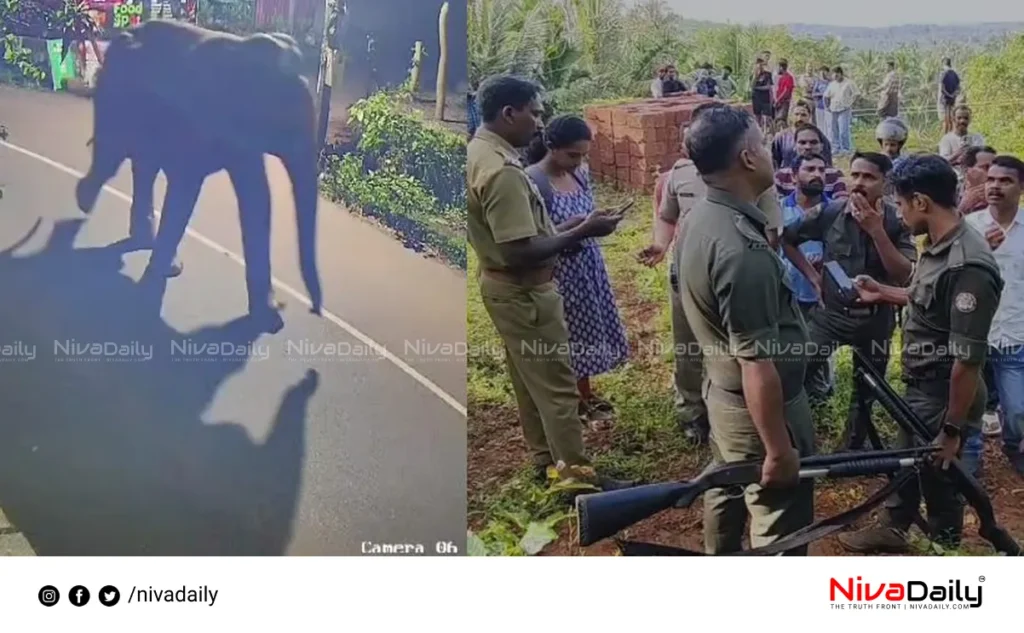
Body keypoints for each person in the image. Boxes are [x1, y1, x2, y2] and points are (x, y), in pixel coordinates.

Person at [466, 74, 633, 490]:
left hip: (505, 288)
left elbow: (524, 232)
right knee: (558, 387)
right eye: (535, 113)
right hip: (524, 292)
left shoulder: (480, 152)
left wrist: (574, 223)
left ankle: (545, 461)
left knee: (528, 379)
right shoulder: (503, 171)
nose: (540, 124)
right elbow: (518, 251)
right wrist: (582, 233)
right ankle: (577, 478)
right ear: (509, 113)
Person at [839, 154, 1002, 553]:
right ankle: (892, 529)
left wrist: (951, 429)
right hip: (922, 389)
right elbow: (925, 296)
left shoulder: (969, 265)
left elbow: (967, 360)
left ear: (922, 202)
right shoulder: (939, 244)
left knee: (942, 481)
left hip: (944, 392)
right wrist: (884, 292)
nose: (898, 211)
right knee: (908, 466)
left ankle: (945, 553)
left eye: (901, 203)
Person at [675, 104, 815, 555]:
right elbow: (756, 362)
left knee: (729, 491)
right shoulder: (742, 247)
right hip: (761, 412)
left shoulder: (700, 218)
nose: (774, 153)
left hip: (725, 395)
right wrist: (777, 449)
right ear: (749, 159)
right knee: (779, 520)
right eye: (763, 144)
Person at [638, 109, 784, 443]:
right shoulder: (682, 177)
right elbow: (668, 218)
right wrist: (661, 246)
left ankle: (721, 407)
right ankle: (692, 409)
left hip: (732, 276)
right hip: (693, 271)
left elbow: (771, 233)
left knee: (729, 348)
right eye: (762, 144)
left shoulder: (751, 187)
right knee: (693, 347)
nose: (767, 151)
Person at [782, 153, 917, 450]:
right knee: (795, 370)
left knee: (866, 389)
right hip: (830, 316)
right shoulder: (830, 212)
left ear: (886, 183)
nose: (858, 183)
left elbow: (905, 274)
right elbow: (787, 238)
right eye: (854, 175)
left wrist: (877, 231)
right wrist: (812, 276)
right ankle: (791, 441)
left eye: (868, 177)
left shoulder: (897, 221)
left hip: (876, 319)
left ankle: (853, 445)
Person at [524, 115, 630, 423]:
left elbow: (584, 216)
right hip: (559, 275)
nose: (578, 161)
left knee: (585, 333)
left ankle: (584, 394)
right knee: (567, 338)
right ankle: (570, 402)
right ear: (551, 147)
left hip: (587, 267)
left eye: (583, 154)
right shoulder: (533, 181)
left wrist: (598, 220)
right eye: (572, 155)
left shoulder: (580, 174)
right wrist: (576, 229)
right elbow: (533, 239)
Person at [964, 155, 1024, 475]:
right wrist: (980, 249)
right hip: (972, 331)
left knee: (1016, 410)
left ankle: (1013, 444)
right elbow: (950, 273)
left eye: (1005, 181)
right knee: (970, 405)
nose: (995, 187)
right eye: (990, 180)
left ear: (1021, 187)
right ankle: (970, 465)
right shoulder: (970, 228)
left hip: (1015, 333)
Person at [777, 153, 836, 400]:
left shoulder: (834, 211)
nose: (817, 175)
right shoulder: (779, 210)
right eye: (810, 169)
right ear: (793, 176)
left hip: (823, 294)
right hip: (788, 292)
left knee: (820, 350)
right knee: (790, 348)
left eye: (822, 170)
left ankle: (820, 395)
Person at [774, 123, 843, 199]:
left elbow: (842, 203)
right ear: (794, 146)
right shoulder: (781, 177)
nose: (808, 147)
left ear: (821, 146)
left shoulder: (835, 175)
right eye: (802, 143)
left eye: (813, 142)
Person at [771, 101, 831, 170]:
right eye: (796, 114)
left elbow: (827, 165)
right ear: (790, 116)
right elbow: (774, 163)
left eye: (803, 115)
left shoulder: (819, 137)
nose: (799, 118)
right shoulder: (781, 138)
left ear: (809, 116)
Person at [823, 66, 858, 155]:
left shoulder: (849, 83)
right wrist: (827, 107)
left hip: (844, 109)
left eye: (836, 74)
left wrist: (851, 103)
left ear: (840, 74)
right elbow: (826, 96)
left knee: (843, 130)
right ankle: (836, 148)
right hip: (833, 108)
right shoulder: (832, 84)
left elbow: (856, 94)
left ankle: (846, 149)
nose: (835, 76)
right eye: (833, 75)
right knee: (834, 130)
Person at [957, 145, 998, 215]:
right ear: (966, 169)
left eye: (995, 168)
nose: (992, 173)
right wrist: (963, 207)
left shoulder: (1001, 192)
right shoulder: (950, 192)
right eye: (986, 167)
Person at [938, 58, 961, 135]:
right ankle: (951, 135)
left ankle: (945, 137)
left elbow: (942, 88)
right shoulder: (955, 74)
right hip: (952, 100)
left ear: (944, 64)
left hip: (944, 100)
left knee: (945, 120)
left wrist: (948, 94)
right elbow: (958, 87)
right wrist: (953, 95)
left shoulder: (943, 74)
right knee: (951, 119)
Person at [751, 59, 774, 133]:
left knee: (766, 118)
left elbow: (768, 87)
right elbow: (751, 86)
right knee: (757, 116)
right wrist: (755, 75)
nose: (760, 66)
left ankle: (766, 132)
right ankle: (759, 132)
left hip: (765, 98)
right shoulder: (752, 76)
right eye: (758, 65)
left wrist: (757, 88)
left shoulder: (768, 74)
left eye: (761, 65)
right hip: (756, 98)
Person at [774, 59, 795, 133]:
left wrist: (778, 99)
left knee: (781, 120)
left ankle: (787, 136)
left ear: (781, 67)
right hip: (779, 102)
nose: (777, 69)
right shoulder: (781, 77)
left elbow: (786, 90)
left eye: (778, 67)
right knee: (777, 121)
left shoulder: (789, 77)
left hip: (784, 102)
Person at [811, 66, 831, 135]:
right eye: (821, 71)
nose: (823, 73)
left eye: (824, 71)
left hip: (829, 107)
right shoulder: (818, 82)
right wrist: (822, 94)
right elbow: (813, 94)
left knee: (829, 126)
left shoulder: (830, 82)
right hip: (820, 106)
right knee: (820, 125)